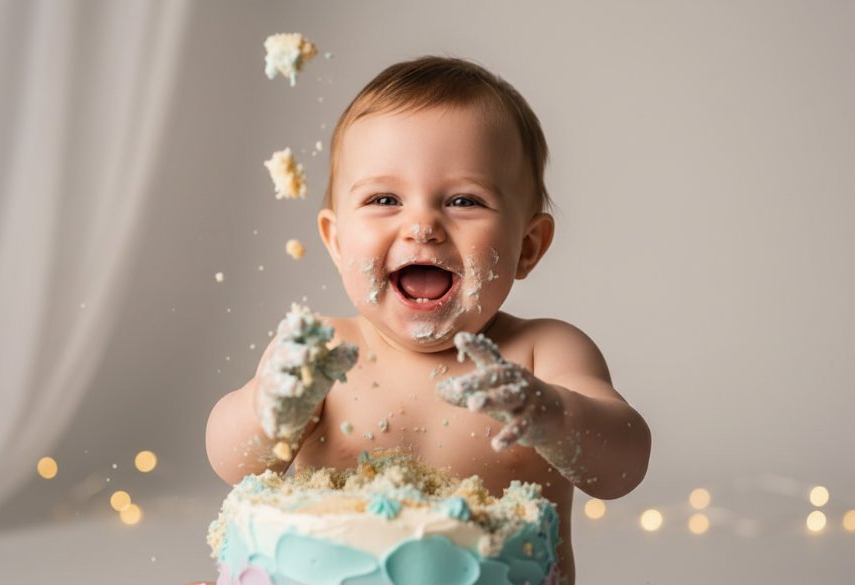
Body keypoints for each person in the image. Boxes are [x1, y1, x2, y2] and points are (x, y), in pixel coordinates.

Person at [205, 56, 651, 584]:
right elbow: (233, 463)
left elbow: (622, 468)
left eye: (464, 200)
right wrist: (268, 411)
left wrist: (552, 415)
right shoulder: (319, 353)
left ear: (527, 246)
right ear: (336, 240)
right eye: (384, 199)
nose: (422, 225)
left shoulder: (541, 354)